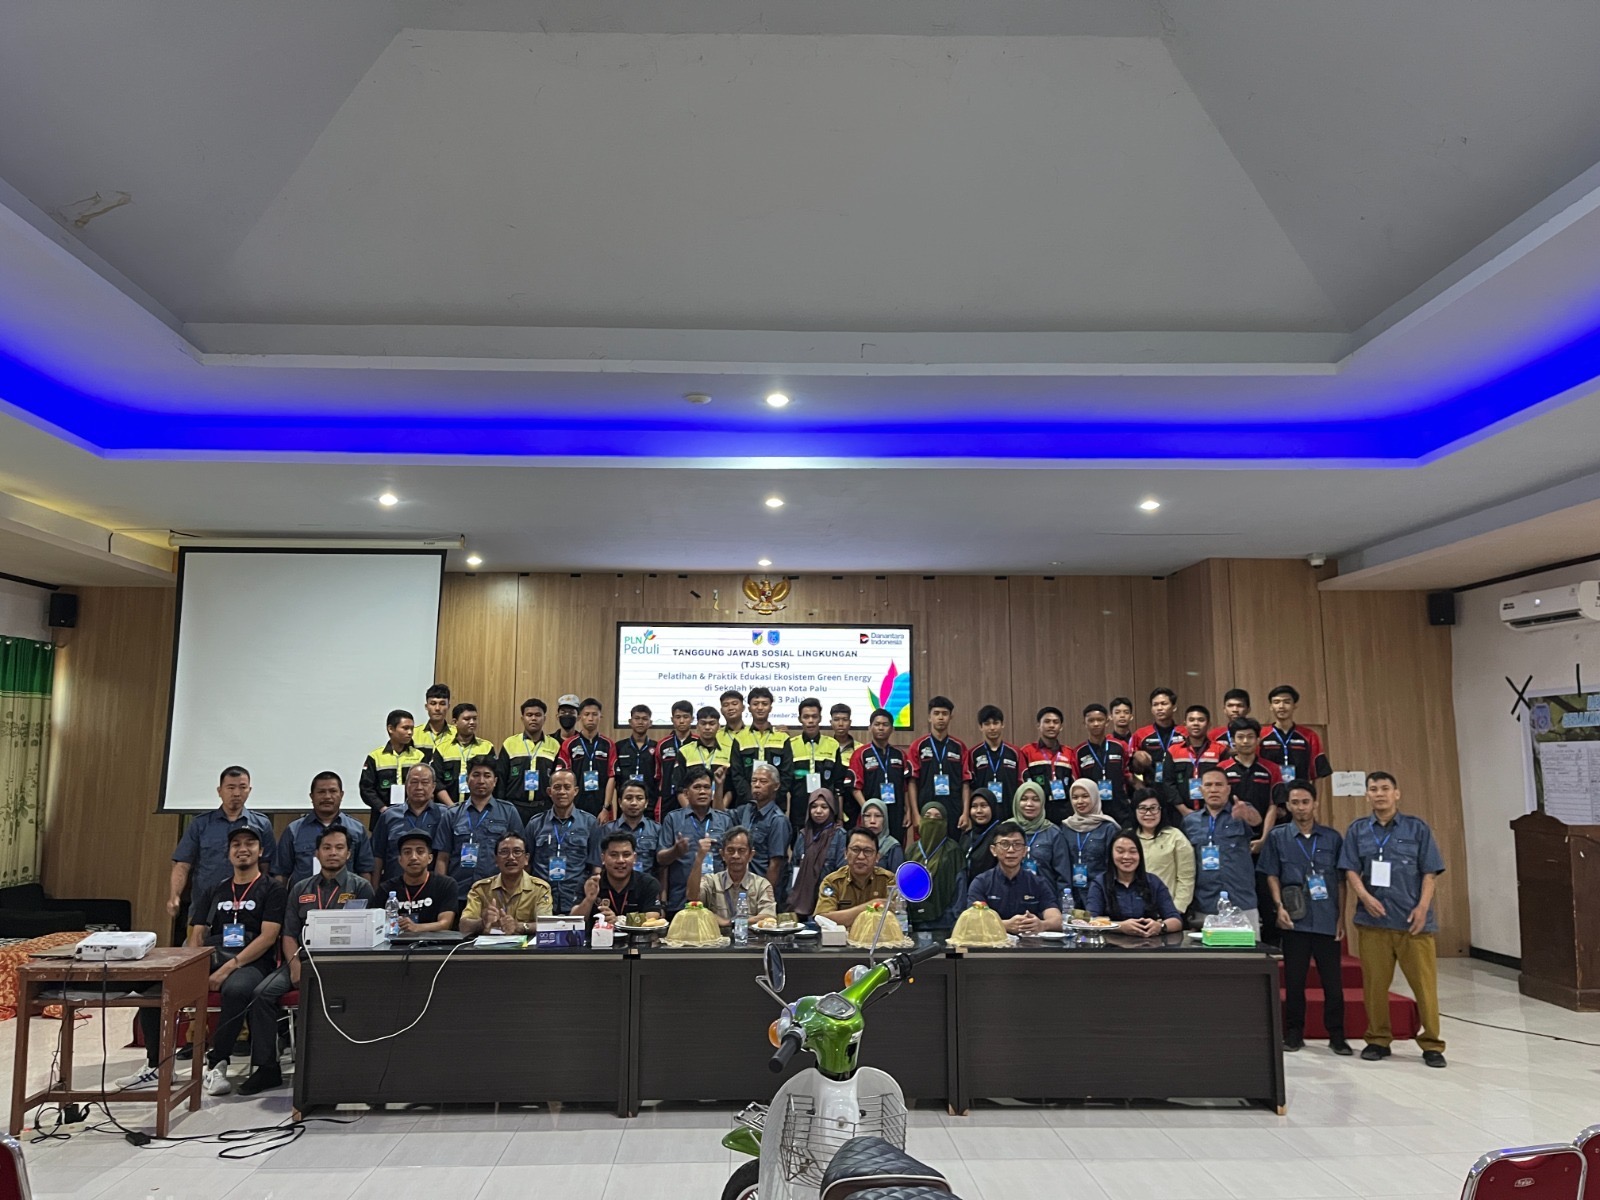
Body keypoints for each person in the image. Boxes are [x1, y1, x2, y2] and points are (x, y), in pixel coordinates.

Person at [252, 824, 375, 1090]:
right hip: (303, 961)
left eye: (339, 848)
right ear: (317, 853)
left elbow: (367, 937)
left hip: (343, 965)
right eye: (326, 848)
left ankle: (352, 1066)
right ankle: (267, 1068)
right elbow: (288, 934)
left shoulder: (361, 888)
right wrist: (295, 966)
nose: (333, 853)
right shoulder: (300, 888)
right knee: (262, 994)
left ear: (348, 853)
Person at [1338, 771, 1448, 1068]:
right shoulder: (1358, 830)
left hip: (1413, 922)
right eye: (1373, 789)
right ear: (1367, 795)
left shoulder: (1417, 828)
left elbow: (1430, 872)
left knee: (1424, 987)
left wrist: (1423, 907)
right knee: (1375, 986)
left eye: (1385, 788)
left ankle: (1432, 1043)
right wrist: (1364, 896)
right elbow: (1350, 869)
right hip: (1374, 922)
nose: (1379, 794)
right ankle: (1378, 1039)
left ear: (1396, 794)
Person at [181, 828, 287, 1097]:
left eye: (250, 843)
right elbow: (197, 934)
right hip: (216, 956)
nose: (243, 849)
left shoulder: (273, 889)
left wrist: (229, 968)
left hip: (254, 962)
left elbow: (268, 937)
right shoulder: (215, 890)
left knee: (236, 989)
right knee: (160, 987)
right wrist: (196, 969)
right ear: (228, 853)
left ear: (261, 851)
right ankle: (154, 1065)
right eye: (236, 844)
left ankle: (217, 1062)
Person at [1260, 781, 1351, 1055]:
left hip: (1326, 919)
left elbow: (1341, 881)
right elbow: (1271, 875)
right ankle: (1294, 1034)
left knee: (1332, 984)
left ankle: (1337, 1036)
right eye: (1295, 803)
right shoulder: (1277, 837)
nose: (1301, 807)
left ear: (1315, 804)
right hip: (1294, 920)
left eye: (1305, 802)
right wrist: (1279, 907)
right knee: (1295, 981)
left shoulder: (1332, 838)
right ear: (1288, 806)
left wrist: (1341, 918)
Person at [168, 765, 276, 920]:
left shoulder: (262, 824)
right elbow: (183, 864)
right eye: (231, 787)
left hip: (248, 906)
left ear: (249, 790)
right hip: (204, 906)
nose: (237, 793)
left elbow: (266, 865)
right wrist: (174, 896)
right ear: (219, 791)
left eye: (242, 787)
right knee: (197, 936)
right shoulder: (200, 824)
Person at [1182, 766, 1262, 930]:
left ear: (1228, 789)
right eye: (1208, 785)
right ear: (1200, 790)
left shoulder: (1240, 810)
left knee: (1249, 948)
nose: (1213, 790)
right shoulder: (1190, 821)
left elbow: (1257, 822)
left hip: (1241, 902)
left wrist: (1247, 815)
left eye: (1219, 785)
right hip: (1205, 904)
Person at [272, 771, 374, 887]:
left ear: (341, 795)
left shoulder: (357, 830)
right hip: (304, 896)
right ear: (312, 796)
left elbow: (365, 870)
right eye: (321, 792)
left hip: (346, 896)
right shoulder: (294, 830)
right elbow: (281, 872)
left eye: (333, 791)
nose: (327, 796)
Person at [964, 819, 1064, 934]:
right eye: (1004, 844)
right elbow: (973, 921)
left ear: (1025, 851)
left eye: (1017, 844)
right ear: (993, 850)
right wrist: (1004, 925)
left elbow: (1058, 920)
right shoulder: (981, 882)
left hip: (1029, 942)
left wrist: (1042, 925)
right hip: (993, 943)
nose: (1011, 850)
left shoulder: (1038, 883)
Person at [658, 765, 735, 913]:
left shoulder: (724, 820)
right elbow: (661, 860)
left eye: (707, 787)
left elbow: (731, 860)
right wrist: (675, 851)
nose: (702, 792)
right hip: (680, 900)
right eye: (697, 787)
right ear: (686, 793)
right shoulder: (673, 819)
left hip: (717, 900)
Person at [524, 767, 600, 913]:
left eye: (567, 787)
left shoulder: (590, 823)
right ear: (549, 791)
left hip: (577, 900)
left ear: (575, 791)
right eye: (557, 787)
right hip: (541, 900)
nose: (562, 792)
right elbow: (526, 865)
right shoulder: (535, 823)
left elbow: (595, 867)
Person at [444, 756, 526, 888]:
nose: (481, 781)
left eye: (487, 776)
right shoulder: (452, 814)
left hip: (498, 890)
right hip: (459, 890)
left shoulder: (508, 812)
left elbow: (520, 855)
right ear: (467, 779)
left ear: (495, 781)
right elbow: (443, 858)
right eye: (476, 775)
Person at [371, 762, 451, 890]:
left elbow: (445, 856)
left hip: (431, 889)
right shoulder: (389, 816)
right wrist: (375, 890)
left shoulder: (445, 815)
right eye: (414, 782)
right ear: (406, 785)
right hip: (394, 889)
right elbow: (377, 856)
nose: (419, 787)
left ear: (433, 787)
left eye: (425, 782)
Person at [1086, 831, 1182, 936]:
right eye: (1120, 851)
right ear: (1111, 854)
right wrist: (1119, 926)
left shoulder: (1153, 882)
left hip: (1148, 942)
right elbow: (1091, 920)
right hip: (1110, 943)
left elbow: (1176, 920)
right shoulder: (1099, 883)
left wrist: (1161, 926)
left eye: (1133, 851)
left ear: (1140, 854)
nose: (1126, 856)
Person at [460, 831, 554, 936]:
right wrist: (482, 923)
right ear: (496, 859)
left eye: (517, 852)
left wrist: (520, 927)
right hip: (490, 945)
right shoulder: (480, 889)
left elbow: (547, 925)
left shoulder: (540, 889)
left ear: (526, 859)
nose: (511, 857)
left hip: (526, 946)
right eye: (504, 852)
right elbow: (463, 926)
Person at [691, 826, 777, 928]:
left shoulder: (761, 885)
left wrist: (730, 923)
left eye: (741, 850)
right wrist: (699, 859)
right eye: (730, 850)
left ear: (751, 855)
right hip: (716, 937)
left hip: (750, 937)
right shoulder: (712, 881)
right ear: (722, 854)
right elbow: (693, 897)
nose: (735, 856)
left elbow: (768, 916)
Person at [358, 709, 439, 817]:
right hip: (382, 815)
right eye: (405, 728)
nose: (410, 732)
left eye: (412, 728)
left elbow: (426, 785)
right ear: (391, 729)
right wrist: (383, 809)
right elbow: (366, 789)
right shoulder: (375, 756)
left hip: (413, 814)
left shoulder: (419, 756)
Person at [908, 695, 967, 841]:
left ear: (950, 717)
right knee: (926, 849)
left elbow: (965, 782)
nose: (941, 717)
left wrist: (965, 813)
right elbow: (912, 782)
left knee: (953, 849)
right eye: (936, 713)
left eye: (945, 714)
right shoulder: (918, 746)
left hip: (954, 810)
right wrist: (915, 814)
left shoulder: (959, 747)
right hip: (926, 810)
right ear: (929, 717)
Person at [573, 831, 663, 926]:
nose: (620, 860)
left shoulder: (648, 883)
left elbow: (653, 916)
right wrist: (589, 899)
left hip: (635, 936)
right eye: (614, 855)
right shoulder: (591, 882)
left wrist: (619, 921)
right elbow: (574, 921)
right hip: (596, 935)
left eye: (626, 855)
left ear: (634, 858)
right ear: (603, 858)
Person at [905, 797, 967, 936]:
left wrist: (955, 917)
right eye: (927, 816)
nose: (932, 820)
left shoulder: (953, 850)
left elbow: (961, 887)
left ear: (945, 822)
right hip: (916, 921)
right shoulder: (912, 851)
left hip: (945, 923)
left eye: (937, 817)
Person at [733, 760, 792, 901]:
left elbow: (775, 864)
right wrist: (719, 785)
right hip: (741, 885)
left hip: (761, 888)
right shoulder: (747, 810)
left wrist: (764, 897)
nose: (757, 785)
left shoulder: (778, 820)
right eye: (754, 781)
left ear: (776, 786)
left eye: (763, 781)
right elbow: (719, 816)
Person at [1073, 703, 1139, 827]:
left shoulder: (1119, 746)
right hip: (1093, 811)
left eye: (1100, 720)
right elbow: (1077, 780)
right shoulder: (1079, 752)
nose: (1096, 724)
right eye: (1091, 720)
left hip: (1120, 807)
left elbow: (1127, 773)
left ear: (1107, 721)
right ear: (1084, 723)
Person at [1061, 778, 1121, 912]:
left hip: (1101, 893)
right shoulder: (1066, 827)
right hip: (1071, 895)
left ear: (1094, 796)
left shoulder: (1108, 828)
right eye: (1075, 797)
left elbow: (1113, 866)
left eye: (1085, 796)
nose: (1080, 801)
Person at [498, 697, 562, 823]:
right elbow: (500, 778)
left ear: (544, 718)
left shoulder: (555, 745)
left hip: (544, 808)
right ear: (522, 718)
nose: (533, 718)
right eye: (529, 715)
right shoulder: (510, 743)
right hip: (514, 808)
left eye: (538, 715)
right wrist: (501, 807)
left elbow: (558, 779)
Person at [1132, 788, 1194, 916]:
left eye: (1153, 808)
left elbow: (1186, 877)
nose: (1148, 813)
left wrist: (1175, 910)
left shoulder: (1175, 837)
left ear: (1161, 810)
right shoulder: (1128, 838)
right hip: (1132, 910)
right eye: (1142, 808)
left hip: (1166, 911)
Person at [814, 829, 897, 925]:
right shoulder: (832, 882)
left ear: (877, 857)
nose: (861, 857)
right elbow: (822, 918)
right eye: (855, 850)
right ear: (845, 853)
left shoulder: (888, 880)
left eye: (868, 851)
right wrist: (872, 906)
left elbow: (896, 916)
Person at [787, 696, 846, 828]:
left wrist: (839, 816)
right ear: (799, 719)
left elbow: (838, 783)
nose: (810, 721)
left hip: (826, 809)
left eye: (814, 717)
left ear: (820, 718)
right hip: (799, 810)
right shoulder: (791, 745)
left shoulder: (832, 745)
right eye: (806, 717)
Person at [728, 686, 792, 809]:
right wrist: (752, 799)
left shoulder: (782, 738)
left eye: (764, 704)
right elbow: (736, 774)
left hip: (776, 805)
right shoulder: (740, 738)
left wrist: (772, 799)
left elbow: (787, 774)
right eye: (755, 704)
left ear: (770, 708)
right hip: (746, 804)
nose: (760, 707)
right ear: (749, 708)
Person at [848, 708, 910, 832]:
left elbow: (906, 787)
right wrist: (867, 810)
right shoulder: (860, 754)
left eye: (885, 725)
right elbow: (855, 787)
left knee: (896, 842)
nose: (881, 728)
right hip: (872, 814)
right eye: (877, 724)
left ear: (892, 729)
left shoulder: (900, 754)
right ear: (870, 728)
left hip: (896, 812)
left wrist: (908, 811)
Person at [1261, 685, 1333, 787]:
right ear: (1271, 706)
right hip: (1269, 794)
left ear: (1294, 706)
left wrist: (1315, 798)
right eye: (1276, 702)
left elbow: (1318, 774)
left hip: (1300, 793)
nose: (1281, 706)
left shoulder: (1309, 735)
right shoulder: (1261, 735)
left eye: (1287, 702)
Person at [790, 789, 847, 918]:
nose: (818, 811)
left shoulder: (839, 835)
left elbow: (841, 870)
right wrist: (791, 893)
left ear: (832, 809)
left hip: (828, 898)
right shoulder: (803, 835)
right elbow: (793, 867)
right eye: (814, 806)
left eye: (824, 807)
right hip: (801, 899)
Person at [390, 830, 460, 932]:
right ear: (400, 860)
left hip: (434, 941)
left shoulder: (446, 885)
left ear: (430, 858)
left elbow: (445, 924)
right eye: (407, 852)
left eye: (420, 852)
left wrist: (416, 927)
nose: (413, 857)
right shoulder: (387, 888)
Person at [1010, 780, 1069, 901]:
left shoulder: (1053, 832)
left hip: (1045, 899)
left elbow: (1063, 876)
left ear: (1042, 802)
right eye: (1024, 799)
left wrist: (1062, 905)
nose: (1029, 804)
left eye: (1035, 799)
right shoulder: (1006, 830)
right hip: (1011, 897)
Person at [1161, 705, 1227, 813]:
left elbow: (1224, 782)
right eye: (1191, 720)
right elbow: (1168, 782)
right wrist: (1183, 810)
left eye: (1201, 720)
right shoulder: (1173, 751)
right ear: (1185, 724)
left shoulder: (1220, 750)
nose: (1196, 723)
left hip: (1213, 811)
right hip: (1180, 812)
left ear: (1208, 724)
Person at [558, 697, 614, 817]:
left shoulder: (608, 744)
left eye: (595, 714)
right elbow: (564, 777)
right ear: (580, 717)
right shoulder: (568, 744)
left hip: (601, 808)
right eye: (586, 714)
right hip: (575, 806)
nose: (590, 718)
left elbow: (612, 777)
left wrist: (606, 808)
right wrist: (568, 807)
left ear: (600, 716)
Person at [966, 704, 1021, 825]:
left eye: (996, 723)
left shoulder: (1015, 752)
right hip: (982, 816)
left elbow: (1021, 784)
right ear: (980, 727)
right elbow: (969, 787)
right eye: (987, 724)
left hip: (1010, 813)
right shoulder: (973, 754)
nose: (992, 728)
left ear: (1002, 724)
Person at [1019, 706, 1075, 824]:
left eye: (1055, 722)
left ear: (1061, 727)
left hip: (1065, 812)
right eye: (1047, 721)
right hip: (1037, 811)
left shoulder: (1069, 752)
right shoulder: (1027, 751)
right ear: (1038, 725)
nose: (1051, 725)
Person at [432, 702, 496, 804]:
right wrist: (452, 807)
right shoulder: (441, 748)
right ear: (455, 722)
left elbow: (492, 780)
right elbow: (437, 782)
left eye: (475, 718)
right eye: (467, 719)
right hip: (447, 807)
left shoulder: (486, 747)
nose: (472, 722)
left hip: (478, 806)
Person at [672, 707, 734, 808]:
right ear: (697, 726)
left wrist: (720, 811)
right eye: (703, 723)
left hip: (721, 807)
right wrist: (691, 812)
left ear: (718, 726)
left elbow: (731, 787)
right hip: (692, 808)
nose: (707, 727)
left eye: (712, 723)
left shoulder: (729, 751)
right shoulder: (684, 751)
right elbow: (679, 787)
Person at [608, 703, 660, 823]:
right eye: (637, 718)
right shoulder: (619, 747)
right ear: (630, 722)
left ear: (650, 723)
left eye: (645, 719)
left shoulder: (657, 747)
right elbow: (613, 777)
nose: (640, 722)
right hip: (625, 804)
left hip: (649, 805)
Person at [603, 779, 663, 875]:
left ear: (646, 803)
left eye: (639, 798)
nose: (634, 803)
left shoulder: (657, 829)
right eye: (628, 798)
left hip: (648, 882)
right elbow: (599, 864)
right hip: (615, 882)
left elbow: (661, 866)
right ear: (620, 802)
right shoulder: (607, 829)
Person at [1132, 688, 1182, 787]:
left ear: (1174, 707)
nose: (1159, 708)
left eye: (1164, 704)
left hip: (1179, 786)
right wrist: (1136, 758)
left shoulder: (1185, 733)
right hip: (1152, 787)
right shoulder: (1140, 734)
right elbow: (1129, 766)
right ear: (1151, 709)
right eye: (1155, 705)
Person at [654, 699, 696, 817]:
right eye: (678, 717)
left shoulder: (698, 743)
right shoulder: (662, 744)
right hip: (667, 797)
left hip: (691, 796)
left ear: (692, 719)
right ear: (672, 719)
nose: (681, 721)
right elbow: (658, 775)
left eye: (685, 717)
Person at [961, 791, 1002, 880]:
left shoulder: (1000, 836)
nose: (979, 811)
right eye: (974, 806)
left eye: (984, 806)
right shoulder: (966, 835)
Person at [859, 799, 905, 871]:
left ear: (885, 819)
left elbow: (896, 876)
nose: (872, 821)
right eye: (867, 816)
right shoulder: (856, 843)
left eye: (878, 816)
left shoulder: (893, 846)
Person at [414, 682, 454, 749]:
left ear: (448, 707)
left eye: (442, 704)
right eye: (433, 703)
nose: (437, 708)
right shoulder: (414, 734)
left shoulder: (457, 734)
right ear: (426, 706)